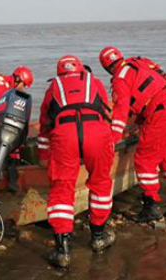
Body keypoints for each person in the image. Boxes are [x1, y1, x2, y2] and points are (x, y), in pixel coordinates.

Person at [38, 55, 116, 268]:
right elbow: (108, 111)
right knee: (100, 182)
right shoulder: (95, 81)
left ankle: (62, 250)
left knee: (61, 188)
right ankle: (98, 237)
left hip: (64, 134)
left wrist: (44, 156)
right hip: (97, 132)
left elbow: (45, 122)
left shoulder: (54, 86)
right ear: (81, 68)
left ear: (59, 71)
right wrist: (111, 140)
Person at [99, 46, 166, 221]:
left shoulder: (120, 78)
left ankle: (151, 206)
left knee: (145, 160)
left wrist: (112, 139)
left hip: (161, 115)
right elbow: (154, 88)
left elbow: (121, 110)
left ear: (105, 67)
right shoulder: (142, 62)